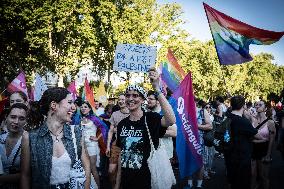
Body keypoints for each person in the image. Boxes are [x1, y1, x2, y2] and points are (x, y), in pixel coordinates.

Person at [116, 68, 176, 189]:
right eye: (127, 95)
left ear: (143, 99)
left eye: (135, 95)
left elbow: (171, 120)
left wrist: (157, 90)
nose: (130, 98)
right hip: (127, 182)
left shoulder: (151, 118)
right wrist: (117, 184)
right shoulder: (122, 124)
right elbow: (121, 155)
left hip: (149, 181)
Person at [20, 87, 91, 189]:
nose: (74, 107)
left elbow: (87, 168)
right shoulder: (30, 137)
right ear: (54, 105)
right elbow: (25, 175)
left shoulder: (76, 132)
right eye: (69, 102)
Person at [224, 95, 264, 189]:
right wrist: (251, 119)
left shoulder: (228, 117)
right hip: (241, 159)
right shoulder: (243, 122)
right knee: (242, 183)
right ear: (243, 106)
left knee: (231, 182)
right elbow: (258, 136)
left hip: (229, 156)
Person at [0, 103, 28, 189]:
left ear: (26, 121)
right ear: (6, 118)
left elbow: (30, 174)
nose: (16, 121)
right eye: (13, 117)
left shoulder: (29, 140)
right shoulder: (1, 138)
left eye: (21, 118)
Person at [106, 94, 129, 189]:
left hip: (130, 145)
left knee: (127, 172)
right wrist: (108, 146)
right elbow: (111, 131)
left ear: (127, 100)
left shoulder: (133, 113)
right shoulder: (115, 114)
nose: (120, 101)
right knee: (111, 171)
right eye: (119, 99)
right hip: (116, 144)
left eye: (123, 99)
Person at [251, 100, 276, 189]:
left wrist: (268, 155)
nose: (257, 106)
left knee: (263, 176)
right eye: (256, 105)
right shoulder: (252, 119)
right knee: (252, 175)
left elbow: (271, 140)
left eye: (260, 105)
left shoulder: (270, 123)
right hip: (252, 149)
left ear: (265, 108)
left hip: (264, 150)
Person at [80, 101, 102, 188]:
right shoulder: (80, 119)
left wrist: (97, 138)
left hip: (92, 145)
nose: (83, 108)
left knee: (93, 168)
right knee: (86, 168)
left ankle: (98, 187)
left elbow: (104, 128)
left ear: (89, 109)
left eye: (85, 107)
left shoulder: (94, 118)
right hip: (83, 147)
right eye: (82, 107)